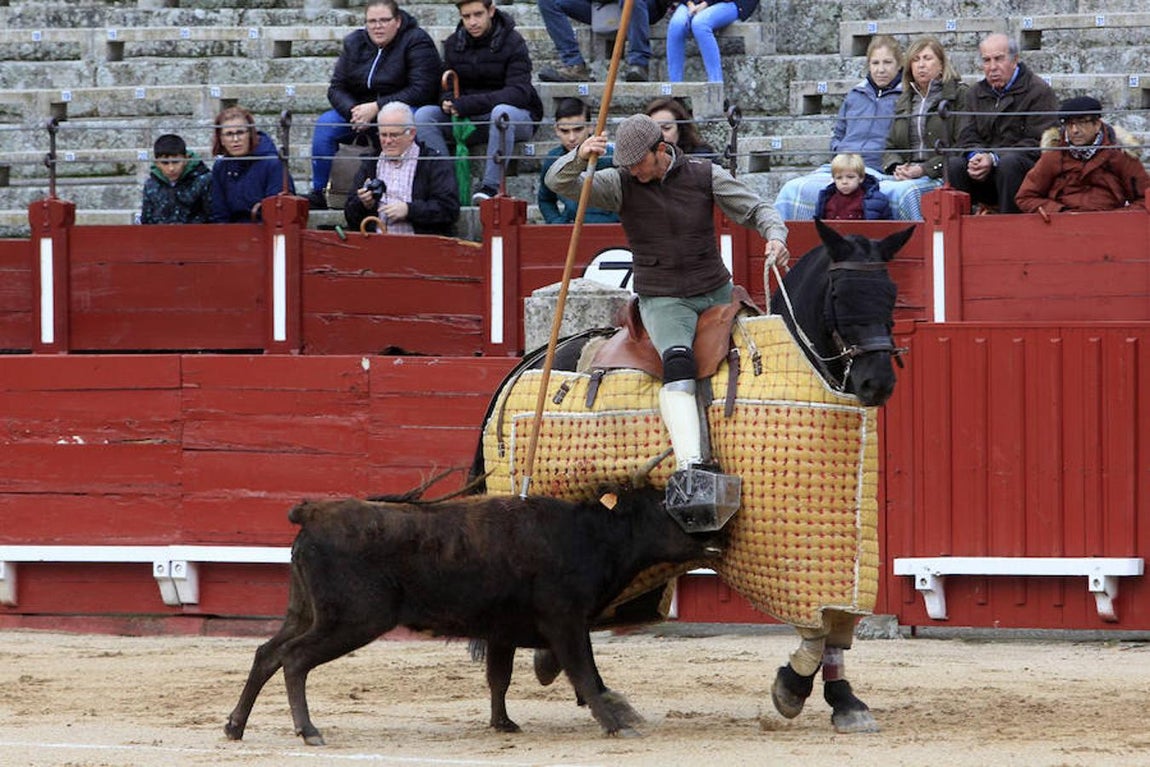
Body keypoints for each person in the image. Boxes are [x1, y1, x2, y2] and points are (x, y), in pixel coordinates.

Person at [545, 113, 789, 512]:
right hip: (664, 298)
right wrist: (579, 155)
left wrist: (776, 236)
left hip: (716, 291)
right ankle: (692, 469)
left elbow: (756, 208)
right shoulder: (619, 182)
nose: (632, 171)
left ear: (661, 150)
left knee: (761, 356)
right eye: (626, 165)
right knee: (678, 363)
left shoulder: (703, 174)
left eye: (637, 163)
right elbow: (558, 182)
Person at [307, 0, 442, 210]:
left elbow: (422, 88)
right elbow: (336, 88)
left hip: (402, 107)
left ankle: (414, 191)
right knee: (326, 125)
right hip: (359, 110)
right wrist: (354, 112)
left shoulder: (416, 40)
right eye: (372, 21)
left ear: (398, 21)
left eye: (384, 20)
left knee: (412, 121)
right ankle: (319, 191)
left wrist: (377, 108)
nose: (377, 26)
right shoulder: (354, 42)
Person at [414, 0, 544, 204]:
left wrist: (468, 104)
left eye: (478, 14)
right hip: (471, 117)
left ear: (491, 11)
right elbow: (445, 86)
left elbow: (519, 93)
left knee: (501, 113)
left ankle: (491, 187)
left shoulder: (513, 42)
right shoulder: (454, 43)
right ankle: (446, 185)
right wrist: (447, 100)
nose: (472, 22)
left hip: (514, 118)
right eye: (466, 16)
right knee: (424, 115)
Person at [774, 35, 903, 220]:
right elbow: (839, 133)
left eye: (887, 62)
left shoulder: (905, 97)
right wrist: (840, 153)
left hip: (876, 167)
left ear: (899, 64)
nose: (880, 69)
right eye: (875, 63)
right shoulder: (855, 94)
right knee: (791, 188)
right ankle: (781, 236)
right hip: (842, 165)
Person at [945, 32, 1058, 215]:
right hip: (986, 171)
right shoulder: (974, 93)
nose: (992, 67)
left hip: (1023, 171)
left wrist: (994, 158)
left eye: (999, 59)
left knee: (1009, 164)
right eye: (986, 60)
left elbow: (1037, 141)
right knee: (956, 165)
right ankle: (960, 224)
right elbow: (966, 135)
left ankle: (1010, 225)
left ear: (1015, 60)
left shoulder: (1039, 91)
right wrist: (976, 155)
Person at [880, 36, 968, 220]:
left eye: (927, 58)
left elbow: (961, 146)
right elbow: (891, 146)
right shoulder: (905, 99)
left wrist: (923, 169)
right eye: (915, 60)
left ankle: (918, 237)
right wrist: (896, 166)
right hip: (908, 173)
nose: (921, 65)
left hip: (940, 174)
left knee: (906, 194)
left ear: (941, 65)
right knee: (873, 191)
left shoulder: (959, 95)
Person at [1015, 96, 1150, 216]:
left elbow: (1145, 198)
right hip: (1062, 223)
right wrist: (1057, 211)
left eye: (1081, 123)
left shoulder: (1120, 154)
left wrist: (1118, 217)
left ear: (1097, 124)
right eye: (1069, 124)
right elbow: (1025, 196)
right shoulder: (1054, 154)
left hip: (1109, 224)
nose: (1075, 130)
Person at [343, 102, 461, 236]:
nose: (388, 141)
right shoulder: (371, 163)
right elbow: (350, 215)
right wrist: (363, 204)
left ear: (411, 133)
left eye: (394, 135)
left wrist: (409, 210)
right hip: (376, 243)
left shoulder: (433, 162)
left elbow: (449, 210)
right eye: (383, 135)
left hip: (421, 244)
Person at [536, 0, 667, 83]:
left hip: (642, 6)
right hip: (600, 6)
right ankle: (574, 65)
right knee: (548, 1)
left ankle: (639, 64)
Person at [538, 97, 618, 224]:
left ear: (591, 127)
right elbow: (545, 199)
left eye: (578, 129)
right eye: (565, 131)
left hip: (609, 228)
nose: (572, 138)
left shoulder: (611, 157)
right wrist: (556, 222)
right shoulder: (553, 159)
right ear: (556, 130)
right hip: (570, 227)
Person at [209, 106, 295, 224]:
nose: (235, 139)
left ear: (250, 134)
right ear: (221, 140)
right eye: (229, 134)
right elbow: (219, 213)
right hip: (232, 231)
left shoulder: (273, 164)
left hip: (265, 229)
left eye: (240, 132)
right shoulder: (220, 167)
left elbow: (278, 213)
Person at [665, 0, 759, 84]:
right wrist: (689, 4)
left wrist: (705, 4)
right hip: (694, 3)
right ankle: (675, 87)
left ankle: (716, 84)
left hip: (732, 3)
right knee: (676, 26)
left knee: (700, 23)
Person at [140, 133, 212, 224]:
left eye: (176, 162)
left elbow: (211, 215)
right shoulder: (151, 185)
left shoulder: (203, 180)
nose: (171, 168)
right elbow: (146, 220)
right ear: (157, 163)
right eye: (165, 163)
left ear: (186, 159)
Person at [814, 152, 891, 220]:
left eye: (850, 177)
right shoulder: (826, 199)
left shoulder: (877, 200)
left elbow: (888, 226)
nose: (844, 182)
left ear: (861, 178)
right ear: (834, 179)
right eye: (839, 178)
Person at [645, 96, 717, 158]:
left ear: (680, 129)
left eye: (666, 128)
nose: (660, 135)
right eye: (653, 129)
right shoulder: (643, 156)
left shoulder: (701, 155)